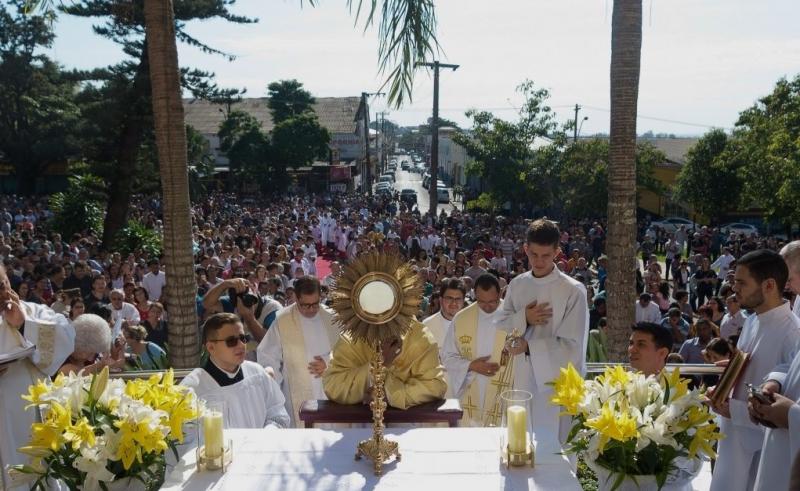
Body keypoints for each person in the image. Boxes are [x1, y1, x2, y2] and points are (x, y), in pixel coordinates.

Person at [709, 250, 800, 491]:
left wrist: (736, 410)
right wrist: (730, 375)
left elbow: (784, 406)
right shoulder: (751, 320)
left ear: (769, 285)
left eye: (741, 282)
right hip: (732, 439)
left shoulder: (793, 333)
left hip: (760, 453)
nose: (733, 289)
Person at [497, 218, 588, 456]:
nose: (539, 261)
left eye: (546, 255)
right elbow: (502, 323)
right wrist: (524, 317)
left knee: (554, 449)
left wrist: (529, 346)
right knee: (520, 444)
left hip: (556, 382)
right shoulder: (517, 285)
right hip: (523, 375)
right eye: (534, 254)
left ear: (558, 252)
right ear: (525, 249)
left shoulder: (573, 290)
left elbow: (573, 346)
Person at [0, 264, 75, 490]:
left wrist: (24, 324)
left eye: (2, 284)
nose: (1, 291)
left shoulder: (33, 311)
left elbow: (67, 336)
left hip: (32, 419)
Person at [181, 313, 289, 429]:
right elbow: (186, 438)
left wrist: (265, 435)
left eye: (243, 338)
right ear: (211, 347)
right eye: (231, 341)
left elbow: (278, 416)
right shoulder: (192, 388)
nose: (241, 345)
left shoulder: (258, 373)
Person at [257, 276, 339, 427]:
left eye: (315, 304)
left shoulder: (333, 318)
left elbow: (347, 350)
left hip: (331, 390)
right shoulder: (282, 320)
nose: (311, 310)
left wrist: (329, 362)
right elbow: (268, 355)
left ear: (320, 297)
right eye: (305, 305)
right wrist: (273, 379)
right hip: (296, 393)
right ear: (295, 298)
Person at [323, 318, 446, 409]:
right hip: (361, 424)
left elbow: (435, 386)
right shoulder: (352, 337)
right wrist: (378, 364)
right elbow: (332, 385)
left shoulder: (420, 337)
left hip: (406, 424)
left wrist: (391, 394)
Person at [442, 273, 510, 426]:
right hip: (471, 389)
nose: (486, 306)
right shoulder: (461, 318)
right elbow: (447, 356)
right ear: (474, 295)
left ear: (499, 293)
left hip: (503, 391)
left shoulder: (512, 315)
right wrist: (471, 365)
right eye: (481, 301)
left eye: (492, 302)